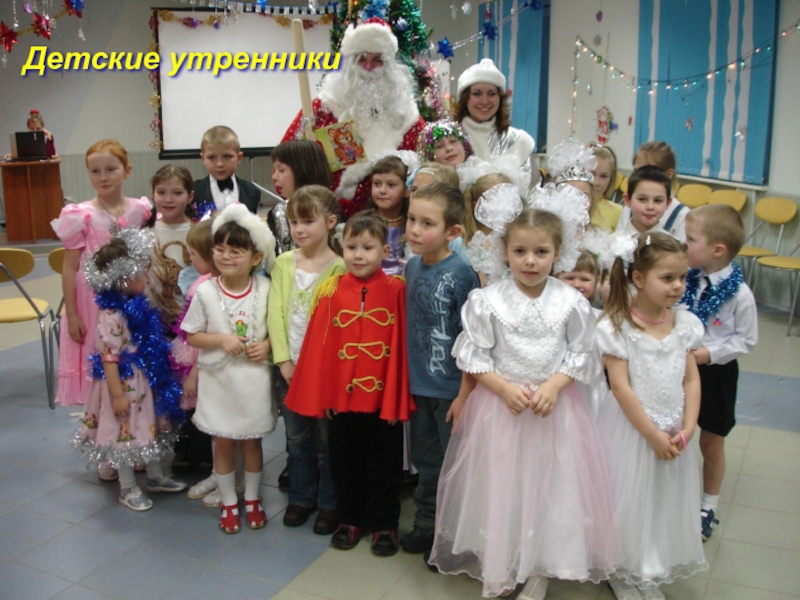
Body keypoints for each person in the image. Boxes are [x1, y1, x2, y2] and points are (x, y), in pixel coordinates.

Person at [429, 205, 618, 600]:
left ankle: (540, 565)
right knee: (503, 486)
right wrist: (502, 388)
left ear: (558, 253)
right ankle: (501, 564)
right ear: (505, 251)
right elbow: (474, 356)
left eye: (541, 252)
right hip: (502, 411)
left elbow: (582, 354)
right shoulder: (487, 300)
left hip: (554, 413)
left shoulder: (571, 302)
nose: (530, 261)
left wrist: (555, 385)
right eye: (520, 251)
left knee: (551, 487)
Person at [284, 210, 414, 556]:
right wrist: (326, 394)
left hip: (382, 402)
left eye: (367, 248)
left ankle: (384, 523)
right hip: (342, 401)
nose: (358, 255)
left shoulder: (397, 290)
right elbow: (320, 349)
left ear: (384, 251)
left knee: (385, 465)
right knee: (344, 463)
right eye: (351, 247)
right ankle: (351, 517)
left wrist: (395, 400)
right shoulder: (330, 290)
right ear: (342, 248)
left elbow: (401, 349)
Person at [597, 232, 707, 599]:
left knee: (662, 498)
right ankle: (623, 568)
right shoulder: (618, 326)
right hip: (633, 431)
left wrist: (688, 427)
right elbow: (620, 388)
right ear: (639, 278)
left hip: (673, 427)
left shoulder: (684, 324)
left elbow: (691, 379)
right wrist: (651, 435)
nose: (678, 286)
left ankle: (650, 563)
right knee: (629, 500)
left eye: (683, 277)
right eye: (668, 278)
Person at [74, 229, 186, 511]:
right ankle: (127, 486)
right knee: (125, 433)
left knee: (148, 428)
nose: (146, 273)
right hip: (124, 384)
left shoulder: (136, 304)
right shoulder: (111, 316)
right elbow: (109, 358)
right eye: (140, 270)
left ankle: (155, 475)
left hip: (143, 379)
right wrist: (117, 395)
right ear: (123, 278)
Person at [182, 204, 277, 534]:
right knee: (222, 443)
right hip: (219, 380)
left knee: (252, 443)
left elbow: (276, 329)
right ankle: (228, 501)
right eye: (219, 249)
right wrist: (222, 340)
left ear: (255, 257)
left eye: (236, 251)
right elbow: (193, 335)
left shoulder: (266, 288)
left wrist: (266, 345)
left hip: (253, 380)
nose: (225, 256)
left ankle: (252, 498)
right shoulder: (205, 291)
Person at [401, 182, 481, 555]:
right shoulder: (412, 266)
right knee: (426, 461)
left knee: (454, 465)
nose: (415, 230)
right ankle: (426, 524)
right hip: (419, 385)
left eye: (427, 223)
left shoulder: (462, 272)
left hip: (451, 390)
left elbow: (473, 337)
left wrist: (465, 394)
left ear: (453, 231)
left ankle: (454, 536)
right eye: (411, 219)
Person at [282, 17, 426, 219]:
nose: (369, 66)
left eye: (377, 60)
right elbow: (284, 163)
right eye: (361, 58)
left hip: (387, 222)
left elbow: (425, 172)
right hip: (327, 220)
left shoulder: (406, 117)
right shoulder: (323, 109)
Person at [51, 140, 151, 416]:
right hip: (90, 301)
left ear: (127, 171)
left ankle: (131, 420)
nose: (103, 177)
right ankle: (97, 422)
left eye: (110, 169)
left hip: (129, 296)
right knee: (99, 357)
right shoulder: (80, 215)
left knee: (127, 356)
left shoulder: (139, 210)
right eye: (95, 171)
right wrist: (72, 314)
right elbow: (69, 268)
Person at [267, 186, 346, 535]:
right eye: (294, 222)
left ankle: (329, 501)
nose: (299, 229)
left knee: (327, 440)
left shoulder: (341, 267)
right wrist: (283, 360)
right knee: (297, 438)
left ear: (330, 222)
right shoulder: (284, 263)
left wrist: (324, 372)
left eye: (307, 221)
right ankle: (301, 496)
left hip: (322, 373)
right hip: (290, 369)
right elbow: (275, 313)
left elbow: (338, 325)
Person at [681, 204, 758, 542]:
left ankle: (707, 507)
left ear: (717, 250)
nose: (684, 245)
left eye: (690, 239)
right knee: (677, 433)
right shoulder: (684, 278)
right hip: (680, 370)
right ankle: (674, 498)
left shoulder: (740, 294)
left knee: (711, 443)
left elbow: (746, 340)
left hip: (717, 374)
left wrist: (709, 353)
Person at [455, 59, 534, 173]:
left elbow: (533, 183)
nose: (484, 101)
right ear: (465, 98)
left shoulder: (517, 141)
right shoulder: (451, 141)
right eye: (477, 94)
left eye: (492, 94)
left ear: (500, 98)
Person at [146, 165, 194, 326]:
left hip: (193, 322)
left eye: (177, 193)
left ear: (190, 196)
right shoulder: (146, 233)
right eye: (161, 192)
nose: (168, 199)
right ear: (153, 195)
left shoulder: (198, 232)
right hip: (155, 324)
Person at [269, 140, 333, 257]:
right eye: (294, 222)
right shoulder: (277, 213)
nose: (274, 176)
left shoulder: (331, 209)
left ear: (303, 170)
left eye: (281, 170)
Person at [619, 141, 687, 241]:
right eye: (636, 171)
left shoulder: (681, 215)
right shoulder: (629, 208)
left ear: (669, 174)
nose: (641, 176)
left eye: (649, 171)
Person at [193, 126, 261, 220]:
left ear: (239, 158)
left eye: (227, 156)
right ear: (203, 158)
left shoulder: (252, 192)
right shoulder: (194, 191)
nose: (220, 164)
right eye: (212, 157)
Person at [367, 154, 415, 276]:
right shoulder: (364, 223)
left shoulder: (411, 224)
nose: (382, 190)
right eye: (377, 184)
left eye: (391, 185)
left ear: (406, 190)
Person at [616, 166, 674, 239]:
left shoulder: (674, 245)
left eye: (657, 200)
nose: (650, 207)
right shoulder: (610, 243)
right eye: (642, 199)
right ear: (628, 200)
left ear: (668, 203)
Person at [589, 144, 623, 232]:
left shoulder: (617, 211)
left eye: (603, 176)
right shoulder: (566, 207)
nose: (596, 182)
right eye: (591, 174)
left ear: (611, 178)